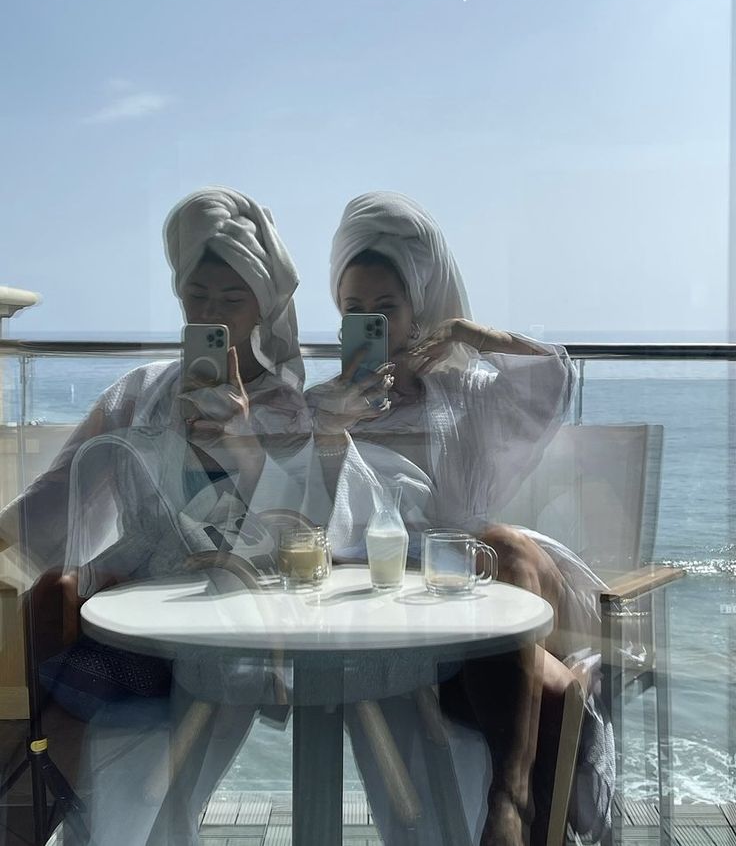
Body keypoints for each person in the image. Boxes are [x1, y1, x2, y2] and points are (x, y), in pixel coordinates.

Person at [0, 186, 314, 845]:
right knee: (48, 639)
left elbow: (296, 534)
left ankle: (34, 817)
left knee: (58, 733)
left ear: (265, 308)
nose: (212, 312)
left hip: (226, 626)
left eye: (232, 299)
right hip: (128, 611)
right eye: (198, 296)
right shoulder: (140, 392)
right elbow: (59, 492)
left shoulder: (288, 414)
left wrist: (243, 445)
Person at [306, 191, 613, 846]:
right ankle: (525, 803)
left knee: (499, 543)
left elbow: (551, 377)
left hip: (494, 579)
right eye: (354, 310)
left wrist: (467, 335)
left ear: (419, 310)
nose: (371, 323)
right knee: (557, 694)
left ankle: (505, 804)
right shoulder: (323, 408)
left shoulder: (462, 391)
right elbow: (311, 529)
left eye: (387, 307)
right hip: (413, 613)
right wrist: (333, 434)